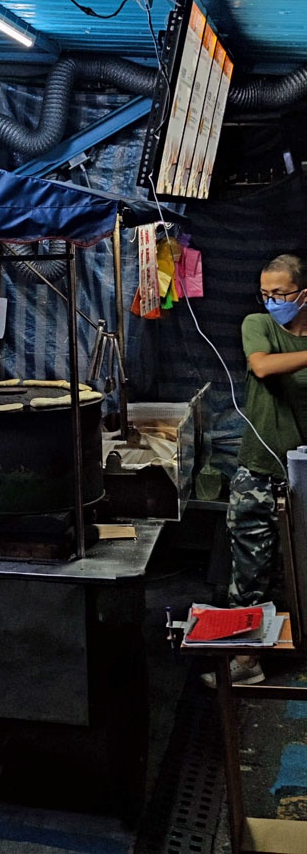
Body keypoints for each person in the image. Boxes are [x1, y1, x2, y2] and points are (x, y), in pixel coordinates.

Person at [202, 254, 307, 688]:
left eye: (280, 294)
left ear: (304, 294)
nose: (271, 301)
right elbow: (262, 366)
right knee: (249, 571)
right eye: (265, 293)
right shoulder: (258, 325)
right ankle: (246, 660)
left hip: (303, 474)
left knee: (299, 570)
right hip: (260, 468)